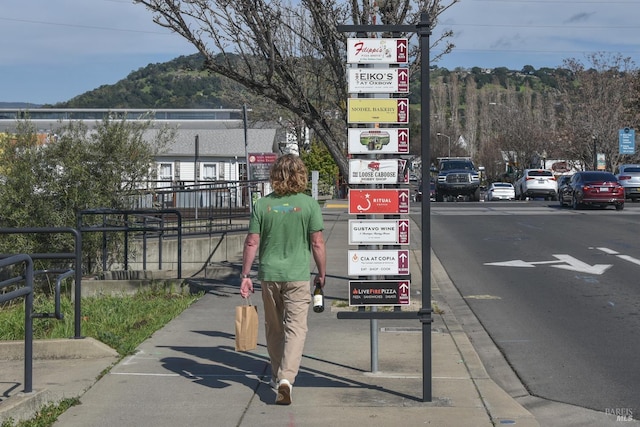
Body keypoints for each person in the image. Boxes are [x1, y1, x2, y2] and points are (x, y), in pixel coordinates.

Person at [239, 154, 326, 406]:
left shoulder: (262, 205)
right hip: (297, 275)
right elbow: (317, 243)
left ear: (275, 175)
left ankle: (278, 375)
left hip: (269, 275)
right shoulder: (309, 205)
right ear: (301, 175)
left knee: (274, 328)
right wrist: (321, 273)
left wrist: (245, 275)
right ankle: (286, 379)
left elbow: (252, 242)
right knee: (296, 328)